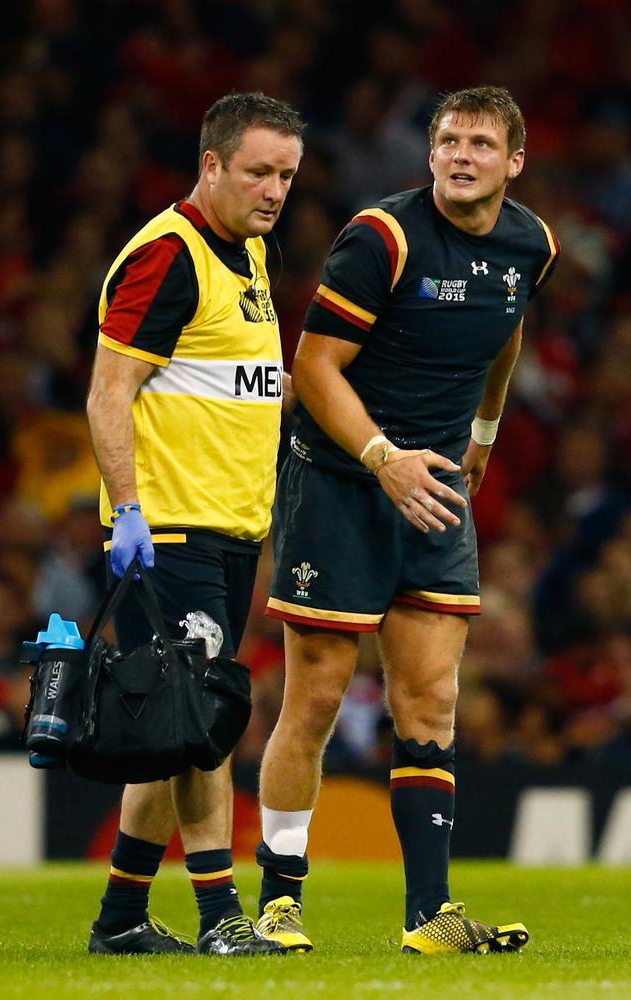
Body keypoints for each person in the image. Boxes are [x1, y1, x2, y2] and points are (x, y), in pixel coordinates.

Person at [254, 86, 560, 954]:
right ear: (429, 155)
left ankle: (429, 916)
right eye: (448, 141)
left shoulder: (530, 245)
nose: (462, 156)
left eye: (481, 144)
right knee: (312, 700)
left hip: (434, 488)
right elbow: (312, 368)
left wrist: (487, 429)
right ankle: (281, 904)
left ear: (514, 162)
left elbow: (506, 330)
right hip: (344, 483)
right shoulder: (380, 239)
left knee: (431, 700)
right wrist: (383, 459)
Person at [85, 92, 304, 956]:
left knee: (175, 726)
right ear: (210, 164)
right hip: (170, 526)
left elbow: (239, 391)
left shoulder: (246, 253)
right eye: (258, 170)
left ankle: (121, 920)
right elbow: (109, 391)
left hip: (230, 529)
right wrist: (130, 509)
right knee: (204, 721)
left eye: (286, 174)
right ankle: (222, 919)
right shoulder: (167, 257)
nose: (275, 189)